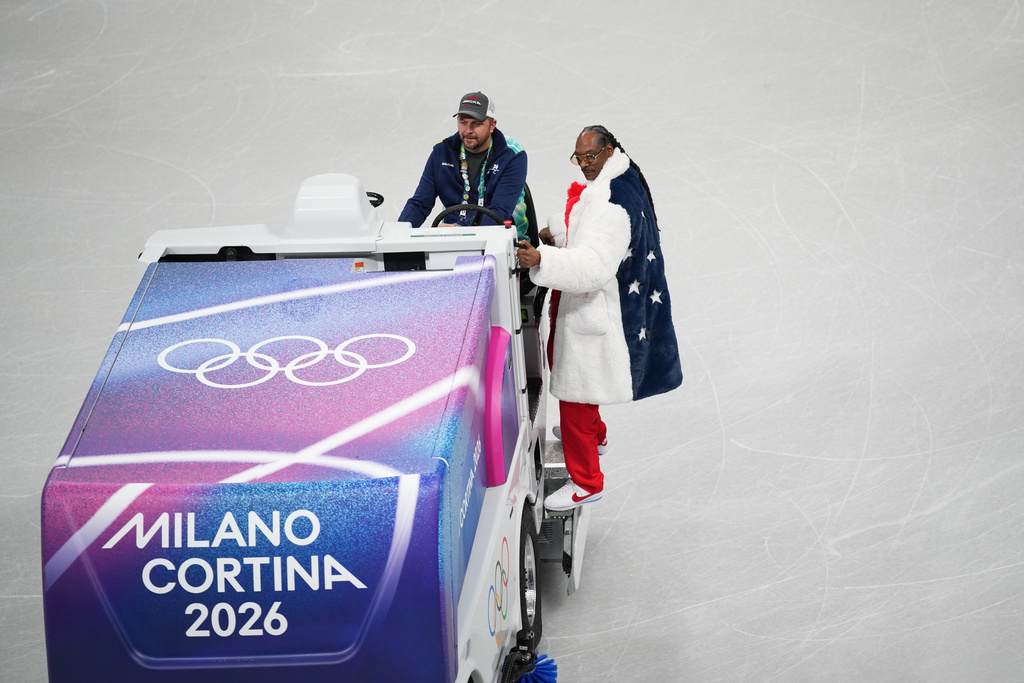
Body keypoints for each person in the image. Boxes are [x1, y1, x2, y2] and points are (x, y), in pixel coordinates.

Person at [516, 125, 683, 511]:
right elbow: (589, 229)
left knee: (574, 396)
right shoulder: (619, 178)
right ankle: (597, 435)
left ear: (609, 150)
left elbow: (593, 267)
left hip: (597, 313)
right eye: (579, 158)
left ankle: (586, 481)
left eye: (591, 156)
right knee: (588, 385)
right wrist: (560, 232)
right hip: (599, 311)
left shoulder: (611, 205)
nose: (584, 164)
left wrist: (542, 258)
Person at [399, 91, 530, 239]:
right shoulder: (441, 152)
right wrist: (399, 233)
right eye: (463, 122)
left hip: (503, 240)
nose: (468, 130)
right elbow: (420, 203)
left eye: (476, 124)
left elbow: (499, 211)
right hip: (451, 240)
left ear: (492, 125)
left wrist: (460, 229)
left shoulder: (513, 155)